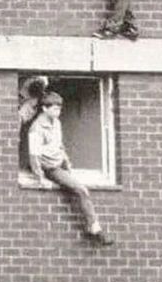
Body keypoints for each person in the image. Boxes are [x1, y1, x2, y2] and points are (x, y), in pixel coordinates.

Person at [28, 91, 115, 245]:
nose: (58, 112)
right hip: (51, 168)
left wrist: (67, 162)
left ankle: (93, 226)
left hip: (59, 164)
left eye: (59, 109)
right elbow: (34, 155)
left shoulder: (57, 123)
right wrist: (40, 178)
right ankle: (94, 228)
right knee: (81, 190)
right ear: (44, 109)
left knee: (81, 186)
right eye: (54, 109)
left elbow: (60, 145)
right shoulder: (36, 128)